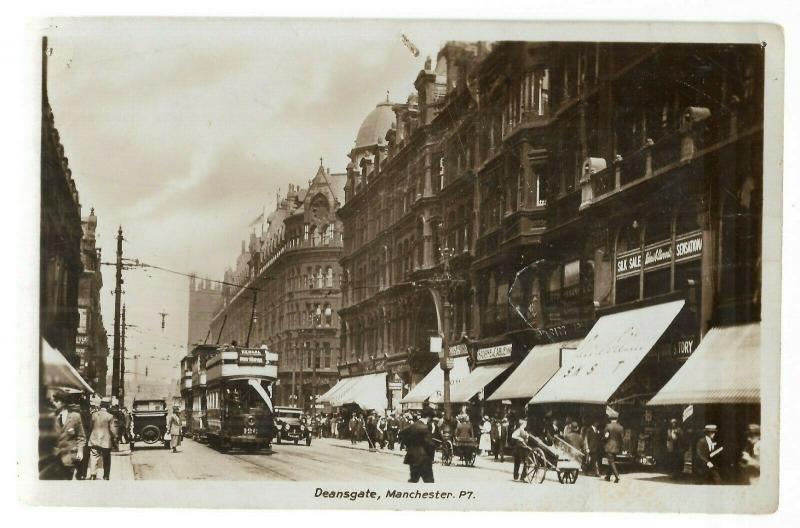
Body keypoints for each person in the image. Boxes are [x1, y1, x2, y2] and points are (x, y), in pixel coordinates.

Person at [51, 390, 86, 480]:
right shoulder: (51, 417)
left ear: (63, 402)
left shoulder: (75, 417)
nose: (54, 403)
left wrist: (80, 451)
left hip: (69, 457)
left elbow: (81, 437)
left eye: (57, 401)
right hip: (54, 458)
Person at [399, 407, 436, 483]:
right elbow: (430, 445)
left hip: (412, 457)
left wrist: (409, 445)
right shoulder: (425, 428)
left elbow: (401, 434)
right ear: (429, 417)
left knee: (413, 480)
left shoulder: (413, 426)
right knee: (429, 482)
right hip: (424, 459)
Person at [88, 399, 116, 480]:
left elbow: (90, 427)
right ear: (108, 406)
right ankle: (106, 476)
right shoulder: (110, 416)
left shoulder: (93, 415)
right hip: (106, 441)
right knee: (106, 459)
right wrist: (114, 438)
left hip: (94, 439)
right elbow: (112, 430)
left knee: (93, 457)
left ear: (101, 405)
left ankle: (93, 475)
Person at [603, 416, 624, 483]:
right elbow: (622, 439)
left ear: (610, 419)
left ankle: (617, 476)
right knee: (611, 461)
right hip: (617, 447)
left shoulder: (608, 426)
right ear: (617, 419)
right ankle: (607, 476)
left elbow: (605, 436)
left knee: (611, 462)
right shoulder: (620, 427)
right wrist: (621, 447)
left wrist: (604, 441)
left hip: (609, 446)